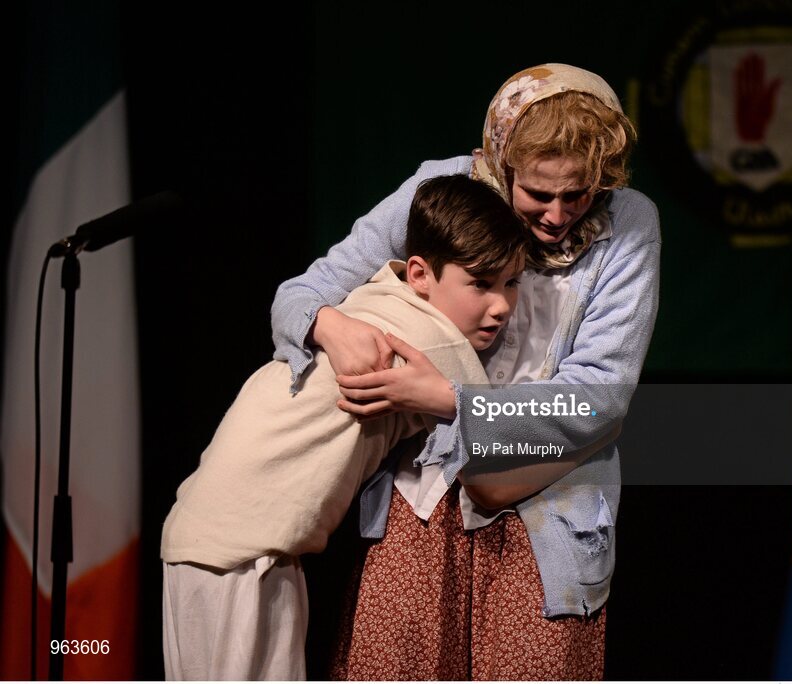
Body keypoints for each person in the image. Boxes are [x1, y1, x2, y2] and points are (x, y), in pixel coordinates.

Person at [271, 63, 661, 680]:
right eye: (538, 194)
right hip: (419, 500)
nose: (557, 215)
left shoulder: (629, 223)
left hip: (547, 514)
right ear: (504, 163)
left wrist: (452, 399)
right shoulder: (445, 188)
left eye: (578, 194)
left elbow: (597, 399)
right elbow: (302, 294)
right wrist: (332, 327)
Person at [159, 175, 529, 680]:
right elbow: (502, 466)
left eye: (512, 282)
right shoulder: (437, 343)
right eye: (481, 283)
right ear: (420, 274)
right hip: (241, 552)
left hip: (214, 537)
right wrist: (595, 435)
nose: (502, 305)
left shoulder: (379, 294)